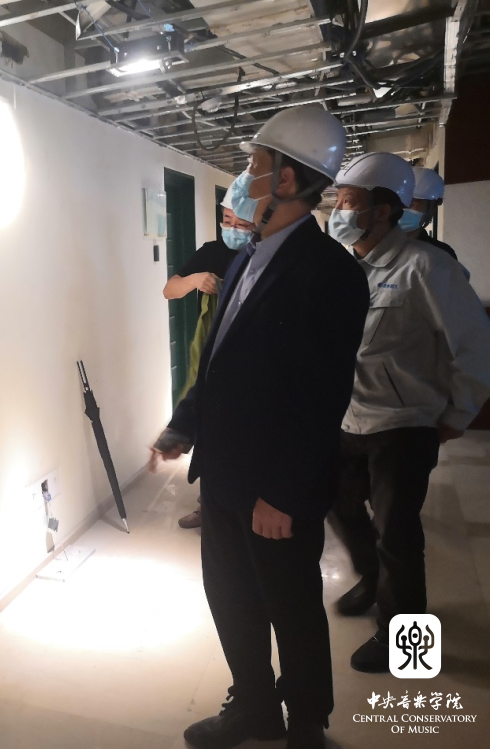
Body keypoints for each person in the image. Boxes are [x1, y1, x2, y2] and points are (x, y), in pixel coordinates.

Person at [149, 106, 369, 749]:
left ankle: (307, 722)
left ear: (287, 179)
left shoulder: (330, 273)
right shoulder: (246, 259)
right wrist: (183, 425)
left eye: (254, 164)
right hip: (223, 474)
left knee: (290, 606)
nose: (244, 177)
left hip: (275, 489)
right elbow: (220, 364)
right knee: (232, 599)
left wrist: (283, 492)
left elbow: (320, 397)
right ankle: (252, 705)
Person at [326, 152, 490, 673]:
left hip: (404, 423)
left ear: (384, 211)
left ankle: (404, 640)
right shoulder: (346, 268)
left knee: (396, 531)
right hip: (350, 416)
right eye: (338, 200)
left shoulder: (427, 267)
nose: (338, 210)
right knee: (338, 504)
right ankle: (373, 579)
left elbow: (475, 347)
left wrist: (458, 415)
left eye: (349, 201)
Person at [163, 195, 255, 529]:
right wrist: (195, 280)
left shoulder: (264, 254)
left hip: (252, 356)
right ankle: (209, 506)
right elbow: (170, 289)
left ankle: (248, 503)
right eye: (227, 221)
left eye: (241, 223)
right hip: (213, 353)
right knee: (210, 426)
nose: (233, 228)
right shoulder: (212, 252)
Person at [398, 166, 471, 280]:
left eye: (413, 203)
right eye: (401, 202)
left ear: (432, 208)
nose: (404, 208)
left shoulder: (442, 253)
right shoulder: (376, 245)